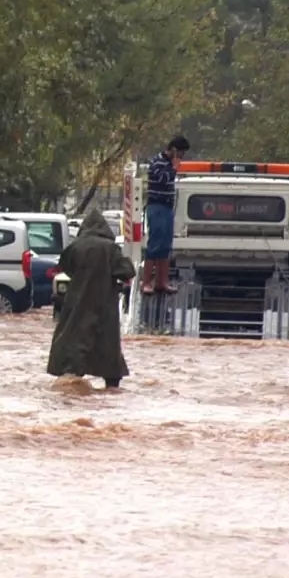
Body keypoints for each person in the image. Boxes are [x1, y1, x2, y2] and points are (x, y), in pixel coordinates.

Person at [47, 209, 135, 389]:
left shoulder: (75, 246)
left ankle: (72, 377)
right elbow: (127, 271)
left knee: (74, 339)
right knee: (106, 341)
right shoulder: (111, 248)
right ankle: (111, 381)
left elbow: (65, 266)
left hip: (77, 299)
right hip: (104, 302)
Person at [142, 136, 190, 295]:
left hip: (168, 208)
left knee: (165, 246)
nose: (182, 157)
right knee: (154, 244)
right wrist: (174, 168)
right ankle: (147, 282)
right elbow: (164, 178)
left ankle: (162, 282)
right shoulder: (157, 162)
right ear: (174, 149)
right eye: (181, 152)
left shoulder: (169, 164)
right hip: (157, 207)